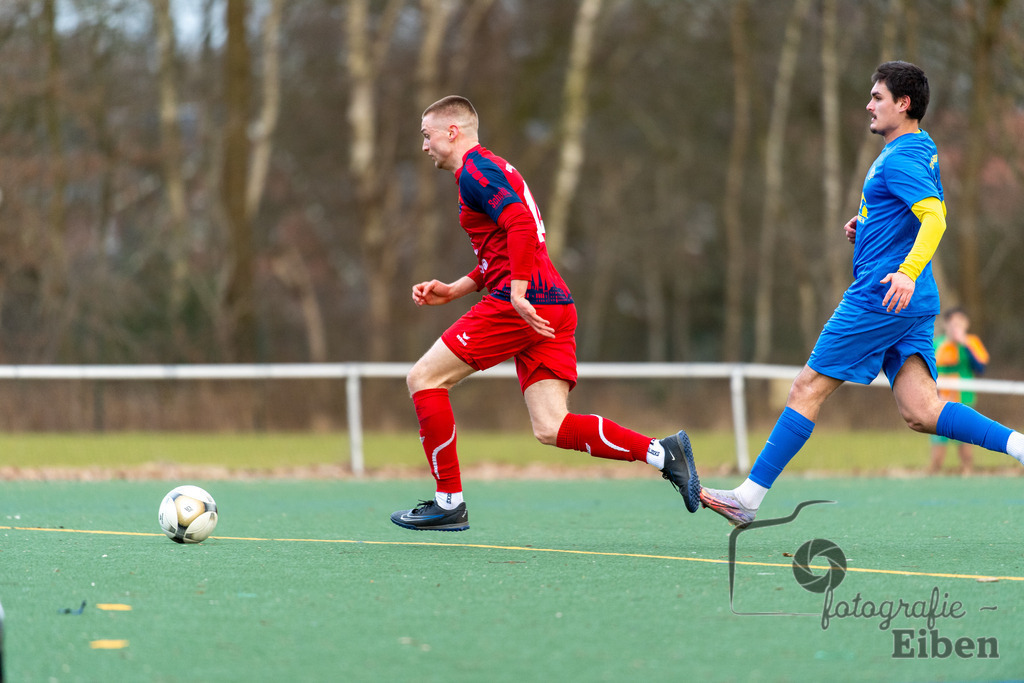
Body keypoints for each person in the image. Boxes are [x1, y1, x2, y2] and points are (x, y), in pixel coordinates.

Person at [700, 61, 1024, 528]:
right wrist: (870, 224)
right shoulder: (920, 146)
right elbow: (913, 208)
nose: (869, 105)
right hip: (913, 301)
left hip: (881, 296)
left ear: (903, 104)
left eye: (877, 97)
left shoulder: (899, 158)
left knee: (806, 388)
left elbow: (935, 218)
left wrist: (906, 271)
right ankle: (1019, 446)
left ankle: (747, 499)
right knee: (922, 411)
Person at [390, 95, 700, 531]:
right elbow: (511, 243)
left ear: (452, 132)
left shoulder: (475, 172)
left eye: (427, 135)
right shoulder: (493, 168)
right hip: (553, 304)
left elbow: (519, 224)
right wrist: (458, 288)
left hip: (519, 304)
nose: (424, 146)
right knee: (552, 427)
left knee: (424, 379)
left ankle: (449, 502)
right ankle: (662, 453)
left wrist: (517, 292)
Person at [929, 307, 989, 474]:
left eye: (960, 323)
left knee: (965, 442)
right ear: (946, 324)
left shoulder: (971, 342)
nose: (957, 327)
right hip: (940, 400)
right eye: (953, 323)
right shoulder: (936, 344)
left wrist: (965, 344)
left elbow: (980, 368)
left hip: (964, 398)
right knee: (938, 445)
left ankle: (967, 473)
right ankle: (934, 472)